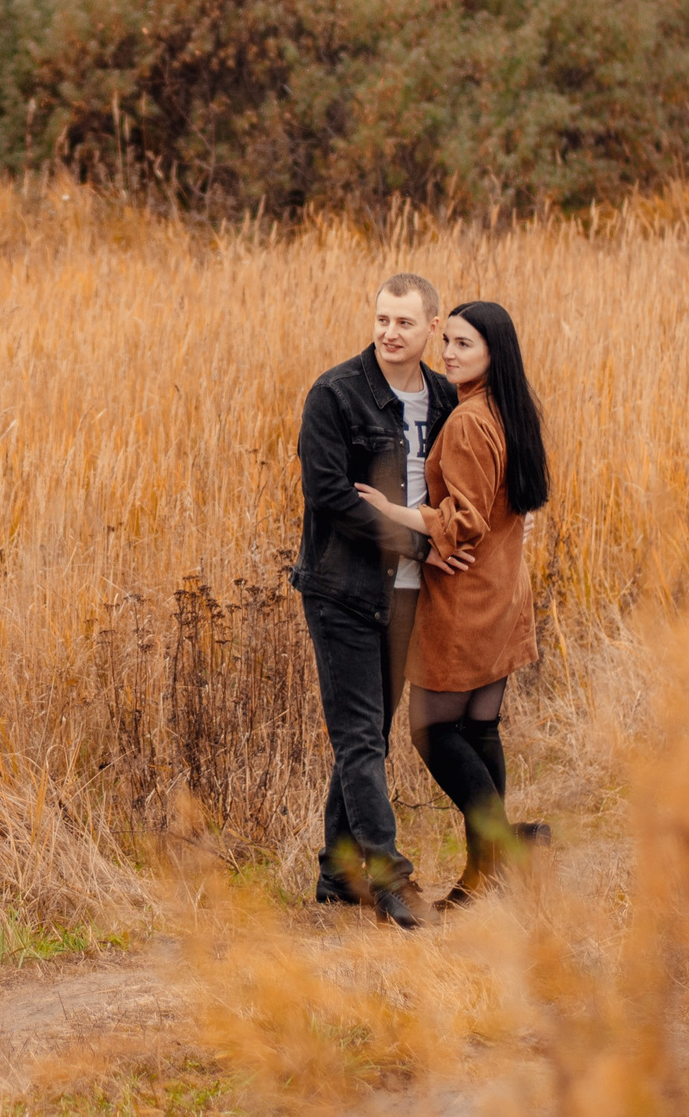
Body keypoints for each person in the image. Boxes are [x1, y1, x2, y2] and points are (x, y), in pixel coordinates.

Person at [357, 299, 551, 907]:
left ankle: (505, 847)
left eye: (464, 345)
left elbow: (462, 521)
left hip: (466, 597)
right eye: (449, 343)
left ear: (494, 351)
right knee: (480, 727)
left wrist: (394, 511)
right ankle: (484, 872)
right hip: (504, 589)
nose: (449, 354)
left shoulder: (468, 422)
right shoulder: (509, 410)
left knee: (430, 728)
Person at [291, 272, 459, 931]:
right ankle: (389, 878)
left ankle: (336, 876)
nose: (390, 332)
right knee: (362, 734)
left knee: (369, 731)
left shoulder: (444, 396)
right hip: (343, 588)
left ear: (431, 328)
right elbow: (332, 498)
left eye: (405, 323)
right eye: (382, 319)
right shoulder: (336, 394)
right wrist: (421, 546)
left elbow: (473, 475)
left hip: (413, 594)